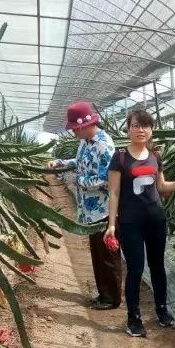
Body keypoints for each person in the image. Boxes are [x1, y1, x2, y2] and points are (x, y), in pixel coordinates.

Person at [105, 109, 175, 337]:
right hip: (130, 223)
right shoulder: (120, 157)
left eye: (145, 125)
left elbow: (162, 187)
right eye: (136, 125)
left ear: (151, 129)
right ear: (127, 129)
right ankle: (133, 319)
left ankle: (162, 310)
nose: (140, 130)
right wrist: (112, 224)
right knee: (135, 269)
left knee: (158, 267)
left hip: (156, 220)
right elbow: (114, 193)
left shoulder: (155, 156)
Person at [48, 102, 122, 310]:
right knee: (98, 254)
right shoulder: (87, 142)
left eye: (73, 128)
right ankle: (103, 294)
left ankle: (112, 298)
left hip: (104, 209)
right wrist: (61, 163)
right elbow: (80, 161)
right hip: (90, 211)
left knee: (107, 255)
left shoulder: (103, 144)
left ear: (83, 126)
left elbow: (108, 179)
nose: (72, 132)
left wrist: (79, 181)